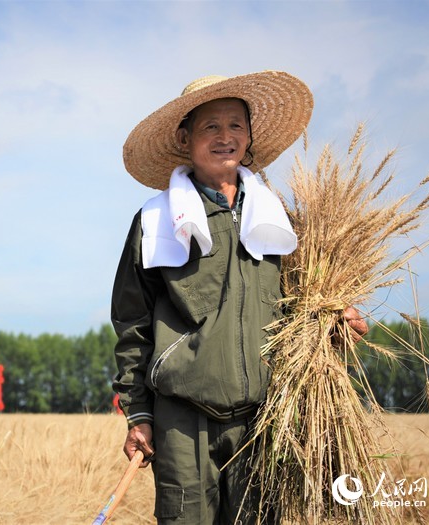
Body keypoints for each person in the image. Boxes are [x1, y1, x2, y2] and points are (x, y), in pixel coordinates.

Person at [111, 72, 367, 524]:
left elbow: (303, 311)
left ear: (249, 139)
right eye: (210, 127)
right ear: (185, 139)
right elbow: (132, 325)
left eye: (235, 126)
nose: (224, 137)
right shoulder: (155, 222)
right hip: (181, 422)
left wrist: (336, 324)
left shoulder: (281, 221)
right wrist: (137, 415)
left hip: (263, 422)